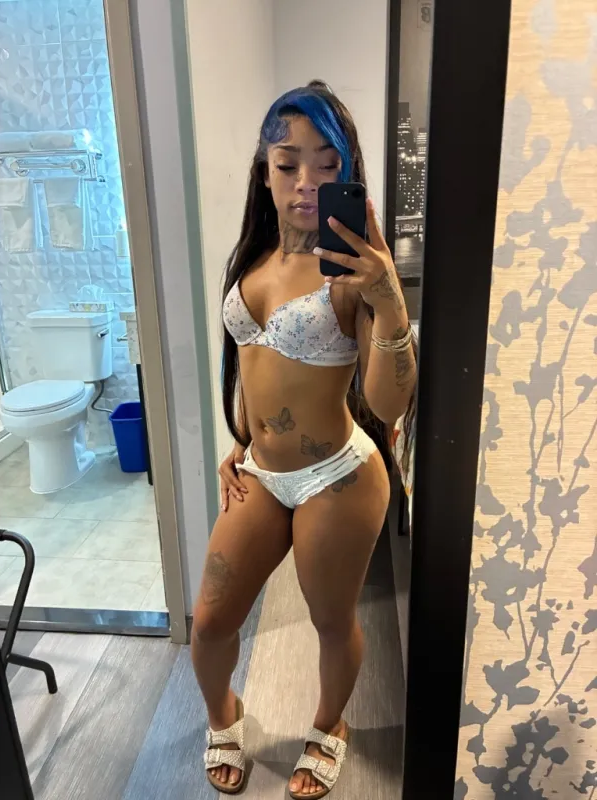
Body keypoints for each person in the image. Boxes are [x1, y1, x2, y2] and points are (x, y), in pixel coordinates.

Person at [192, 80, 416, 799]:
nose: (306, 183)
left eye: (327, 164)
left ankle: (329, 725)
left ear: (348, 171)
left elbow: (388, 404)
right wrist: (240, 436)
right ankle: (224, 716)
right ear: (264, 170)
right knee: (210, 620)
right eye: (288, 163)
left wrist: (388, 298)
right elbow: (247, 362)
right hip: (259, 471)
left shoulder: (352, 276)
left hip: (337, 477)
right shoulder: (252, 255)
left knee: (329, 620)